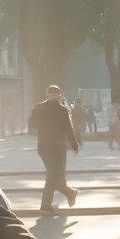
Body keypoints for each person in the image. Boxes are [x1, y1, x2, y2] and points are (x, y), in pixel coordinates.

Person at [30, 85, 80, 215]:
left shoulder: (38, 108)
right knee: (53, 176)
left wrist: (42, 122)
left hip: (43, 147)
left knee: (52, 175)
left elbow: (31, 124)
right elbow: (69, 129)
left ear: (47, 94)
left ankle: (66, 195)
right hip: (58, 148)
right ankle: (64, 196)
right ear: (59, 95)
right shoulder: (62, 110)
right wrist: (74, 145)